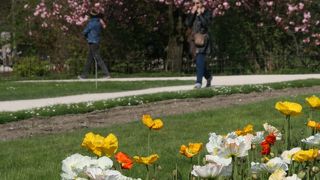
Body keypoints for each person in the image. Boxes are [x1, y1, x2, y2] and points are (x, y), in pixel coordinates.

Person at [185, 0, 213, 89]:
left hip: (202, 39)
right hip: (193, 40)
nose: (195, 5)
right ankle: (208, 76)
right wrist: (193, 13)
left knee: (200, 59)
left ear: (202, 3)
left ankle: (198, 82)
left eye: (197, 3)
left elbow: (206, 24)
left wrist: (200, 15)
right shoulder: (192, 12)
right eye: (193, 3)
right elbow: (188, 24)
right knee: (197, 62)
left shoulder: (207, 12)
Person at [79, 10, 110, 79]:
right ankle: (84, 75)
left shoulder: (91, 23)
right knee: (89, 59)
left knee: (97, 58)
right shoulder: (99, 22)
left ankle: (106, 74)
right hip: (96, 41)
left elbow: (85, 31)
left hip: (92, 42)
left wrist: (83, 35)